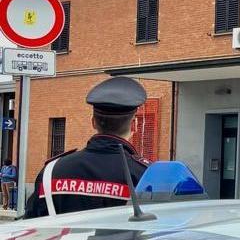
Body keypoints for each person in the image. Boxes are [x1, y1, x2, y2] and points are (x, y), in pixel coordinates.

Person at [23, 77, 150, 218]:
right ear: (134, 124)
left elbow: (31, 224)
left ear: (93, 122)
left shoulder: (52, 171)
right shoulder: (145, 174)